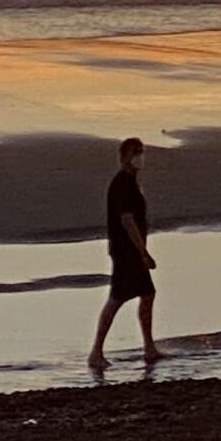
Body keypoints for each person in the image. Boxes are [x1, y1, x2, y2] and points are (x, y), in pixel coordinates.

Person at [87, 137, 162, 371]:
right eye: (135, 153)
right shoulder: (122, 184)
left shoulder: (131, 182)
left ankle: (149, 347)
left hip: (129, 250)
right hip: (126, 251)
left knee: (147, 294)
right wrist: (143, 252)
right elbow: (127, 220)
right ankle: (96, 352)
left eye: (141, 152)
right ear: (124, 157)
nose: (139, 157)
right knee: (117, 299)